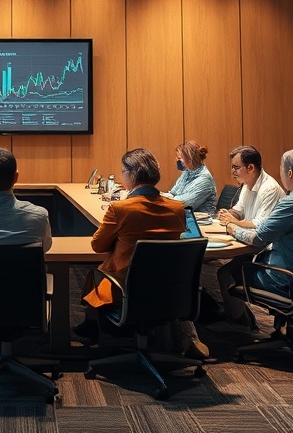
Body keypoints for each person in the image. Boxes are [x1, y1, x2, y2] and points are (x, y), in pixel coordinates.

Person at [77, 147, 209, 360]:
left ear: (132, 174)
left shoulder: (121, 209)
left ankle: (95, 331)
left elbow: (97, 246)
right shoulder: (177, 208)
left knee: (98, 274)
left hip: (127, 291)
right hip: (171, 291)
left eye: (123, 171)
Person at [224, 148, 293, 299]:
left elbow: (258, 238)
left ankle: (238, 321)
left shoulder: (291, 204)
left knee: (227, 272)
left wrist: (232, 228)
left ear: (289, 173)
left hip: (282, 280)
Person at [212, 145, 286, 328]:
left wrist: (234, 223)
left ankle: (240, 323)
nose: (232, 171)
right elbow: (239, 212)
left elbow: (260, 224)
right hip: (252, 241)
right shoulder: (247, 185)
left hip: (266, 250)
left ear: (250, 168)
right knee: (217, 269)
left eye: (236, 167)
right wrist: (227, 215)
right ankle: (239, 315)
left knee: (225, 273)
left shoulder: (269, 188)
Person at [163, 140, 217, 215]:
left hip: (201, 223)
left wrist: (161, 201)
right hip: (185, 218)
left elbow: (182, 204)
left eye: (179, 158)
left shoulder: (205, 179)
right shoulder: (187, 172)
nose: (177, 160)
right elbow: (173, 193)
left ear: (190, 159)